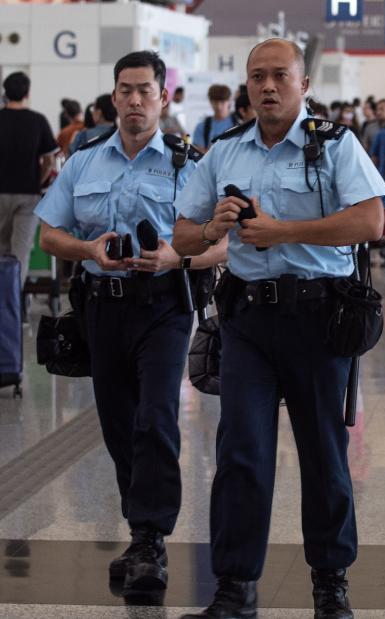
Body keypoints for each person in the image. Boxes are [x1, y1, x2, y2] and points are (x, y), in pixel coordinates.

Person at [173, 38, 385, 619]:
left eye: (279, 76)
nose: (267, 87)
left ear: (304, 83)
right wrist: (210, 228)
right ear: (246, 85)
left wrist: (285, 231)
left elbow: (370, 219)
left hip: (319, 317)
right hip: (246, 320)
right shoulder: (222, 153)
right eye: (257, 77)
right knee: (241, 451)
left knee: (324, 451)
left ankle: (330, 580)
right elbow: (181, 235)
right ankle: (235, 584)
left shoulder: (335, 144)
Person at [36, 50, 225, 594]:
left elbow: (224, 246)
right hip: (100, 305)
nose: (135, 100)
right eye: (126, 90)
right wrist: (88, 247)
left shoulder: (190, 162)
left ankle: (150, 538)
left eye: (145, 90)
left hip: (164, 305)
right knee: (119, 424)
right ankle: (141, 531)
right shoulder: (86, 157)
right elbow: (50, 233)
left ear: (163, 98)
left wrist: (176, 258)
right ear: (114, 97)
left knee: (156, 418)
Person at [0, 72, 58, 283]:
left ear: (5, 93)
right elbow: (50, 160)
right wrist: (39, 180)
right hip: (28, 193)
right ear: (28, 92)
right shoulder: (38, 120)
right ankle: (12, 304)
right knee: (20, 253)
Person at [191, 84, 234, 151]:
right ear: (210, 101)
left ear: (229, 101)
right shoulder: (202, 127)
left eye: (222, 102)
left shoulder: (239, 123)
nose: (219, 106)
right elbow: (199, 154)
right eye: (215, 102)